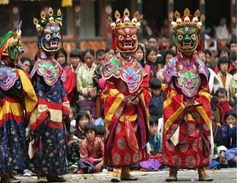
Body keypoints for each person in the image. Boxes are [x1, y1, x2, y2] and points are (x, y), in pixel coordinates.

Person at [162, 8, 213, 181]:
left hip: (196, 108)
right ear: (177, 39)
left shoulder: (200, 64)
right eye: (182, 38)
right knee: (174, 137)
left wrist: (198, 102)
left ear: (197, 39)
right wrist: (181, 102)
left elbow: (205, 89)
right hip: (179, 108)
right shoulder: (172, 64)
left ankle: (202, 170)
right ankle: (173, 171)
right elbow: (169, 90)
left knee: (199, 137)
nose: (186, 41)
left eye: (191, 37)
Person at [101, 9, 151, 182]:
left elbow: (144, 85)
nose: (128, 41)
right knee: (119, 139)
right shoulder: (112, 64)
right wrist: (122, 99)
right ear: (116, 39)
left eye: (131, 38)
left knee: (131, 141)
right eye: (123, 37)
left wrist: (139, 98)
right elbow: (108, 87)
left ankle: (126, 170)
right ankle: (116, 171)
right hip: (119, 109)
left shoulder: (137, 65)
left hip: (134, 108)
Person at [0, 21, 38, 183]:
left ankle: (9, 172)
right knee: (6, 139)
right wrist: (21, 77)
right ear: (7, 52)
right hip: (7, 110)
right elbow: (17, 89)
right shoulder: (5, 71)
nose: (19, 53)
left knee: (13, 138)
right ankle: (5, 174)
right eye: (15, 50)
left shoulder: (11, 70)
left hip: (14, 109)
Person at [28, 8, 70, 183]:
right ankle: (41, 174)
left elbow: (60, 87)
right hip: (45, 111)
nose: (54, 39)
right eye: (49, 36)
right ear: (41, 39)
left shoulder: (56, 65)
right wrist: (42, 108)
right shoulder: (38, 66)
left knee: (58, 142)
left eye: (56, 35)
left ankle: (54, 173)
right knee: (43, 142)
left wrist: (65, 102)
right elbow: (38, 90)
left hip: (58, 111)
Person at [77, 48, 98, 119]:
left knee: (94, 120)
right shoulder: (80, 69)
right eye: (86, 58)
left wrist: (93, 91)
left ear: (94, 57)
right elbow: (79, 86)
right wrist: (86, 91)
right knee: (84, 119)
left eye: (90, 58)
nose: (88, 60)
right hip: (83, 98)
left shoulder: (97, 69)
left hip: (95, 99)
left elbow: (100, 85)